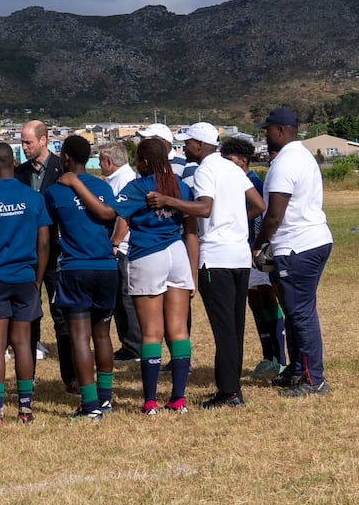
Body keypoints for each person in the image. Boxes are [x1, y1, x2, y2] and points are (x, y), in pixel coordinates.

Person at [146, 122, 263, 409]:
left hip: (216, 258)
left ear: (200, 145)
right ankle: (232, 388)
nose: (184, 147)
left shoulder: (206, 170)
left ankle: (228, 392)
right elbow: (259, 205)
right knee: (235, 327)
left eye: (187, 143)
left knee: (223, 330)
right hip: (238, 256)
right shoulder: (234, 169)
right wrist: (235, 222)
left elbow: (204, 208)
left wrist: (168, 200)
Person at [111, 135, 198, 415]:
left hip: (148, 254)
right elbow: (191, 224)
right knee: (178, 330)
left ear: (145, 162)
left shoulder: (137, 187)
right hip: (178, 253)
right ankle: (178, 398)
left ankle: (150, 401)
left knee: (151, 333)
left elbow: (111, 212)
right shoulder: (180, 187)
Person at [256, 107, 333, 397]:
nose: (265, 136)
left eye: (267, 130)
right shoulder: (301, 156)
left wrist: (258, 244)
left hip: (296, 245)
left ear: (279, 130)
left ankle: (313, 379)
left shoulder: (285, 163)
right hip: (310, 240)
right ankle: (300, 370)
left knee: (300, 314)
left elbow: (274, 214)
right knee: (294, 311)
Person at [43, 134, 121, 419]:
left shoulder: (55, 191)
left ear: (65, 159)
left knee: (79, 337)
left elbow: (47, 235)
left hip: (75, 268)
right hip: (106, 268)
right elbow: (114, 218)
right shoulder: (103, 186)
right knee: (102, 334)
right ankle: (106, 398)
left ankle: (89, 405)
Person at [0, 142, 50, 425]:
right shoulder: (33, 197)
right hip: (25, 276)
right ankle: (26, 408)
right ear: (14, 165)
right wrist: (38, 279)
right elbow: (44, 242)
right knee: (22, 342)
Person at [222, 135, 286, 380]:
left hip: (259, 248)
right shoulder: (238, 181)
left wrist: (257, 248)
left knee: (268, 296)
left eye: (230, 160)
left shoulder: (252, 182)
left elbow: (262, 215)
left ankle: (279, 358)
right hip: (246, 248)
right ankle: (268, 353)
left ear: (243, 161)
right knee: (256, 300)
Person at [17, 119, 66, 374]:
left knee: (62, 315)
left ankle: (69, 375)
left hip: (56, 253)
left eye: (28, 142)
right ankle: (29, 376)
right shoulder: (20, 174)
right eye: (22, 142)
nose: (24, 147)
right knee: (29, 315)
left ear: (43, 140)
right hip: (28, 254)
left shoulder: (62, 170)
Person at [98, 141, 142, 364]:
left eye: (100, 160)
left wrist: (114, 244)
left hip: (123, 247)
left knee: (124, 297)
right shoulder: (118, 179)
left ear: (109, 162)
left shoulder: (124, 180)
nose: (98, 164)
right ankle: (129, 342)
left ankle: (133, 346)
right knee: (120, 297)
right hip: (122, 246)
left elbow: (123, 215)